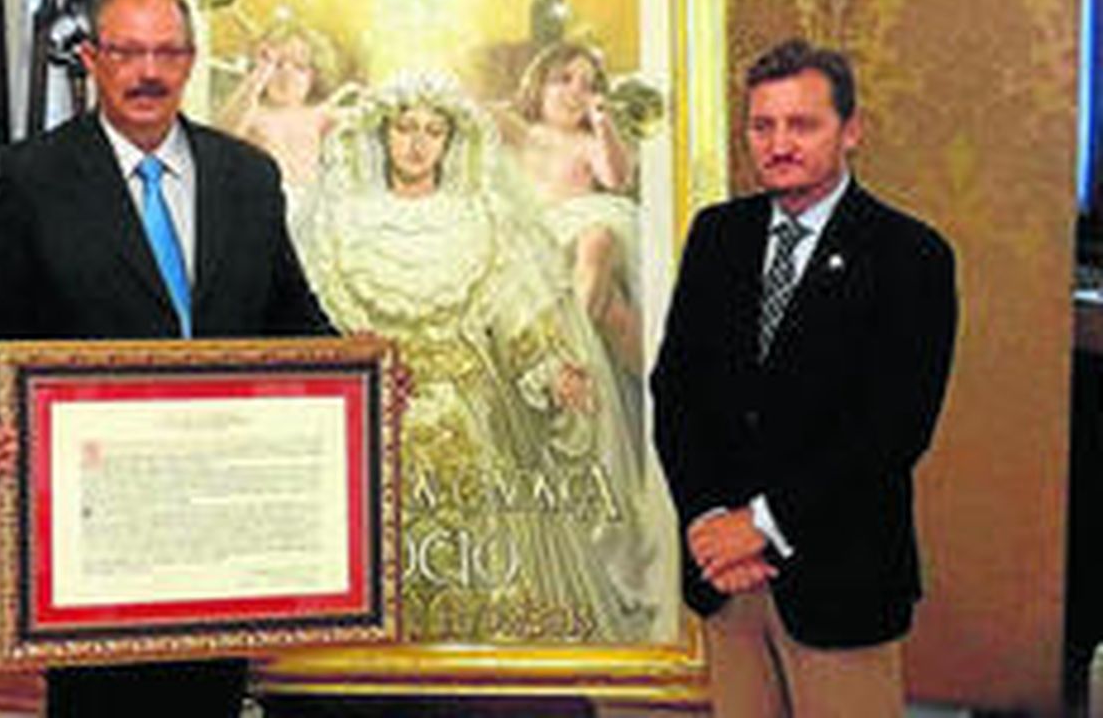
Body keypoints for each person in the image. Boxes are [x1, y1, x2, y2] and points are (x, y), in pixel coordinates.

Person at [0, 0, 333, 718]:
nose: (148, 71)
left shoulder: (248, 177)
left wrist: (364, 379)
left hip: (219, 506)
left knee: (209, 693)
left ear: (191, 62)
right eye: (128, 52)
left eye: (167, 52)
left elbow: (291, 315)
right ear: (94, 60)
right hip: (97, 516)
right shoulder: (31, 179)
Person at [297, 74, 669, 644]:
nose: (417, 143)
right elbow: (307, 323)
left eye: (433, 130)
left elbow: (520, 315)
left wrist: (551, 367)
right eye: (404, 128)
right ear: (382, 135)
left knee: (473, 579)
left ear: (451, 141)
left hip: (468, 420)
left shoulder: (484, 221)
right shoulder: (338, 224)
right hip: (366, 427)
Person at [650, 39, 957, 717]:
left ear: (851, 130)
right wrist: (707, 521)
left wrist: (761, 523)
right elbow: (676, 391)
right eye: (763, 125)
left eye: (802, 124)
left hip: (838, 577)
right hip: (726, 578)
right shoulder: (717, 235)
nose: (779, 143)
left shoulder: (911, 255)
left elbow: (894, 428)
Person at [508, 41, 643, 375]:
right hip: (535, 237)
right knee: (610, 308)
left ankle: (568, 352)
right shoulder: (524, 133)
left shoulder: (588, 142)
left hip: (579, 233)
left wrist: (602, 123)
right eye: (564, 79)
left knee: (599, 237)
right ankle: (658, 381)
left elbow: (617, 179)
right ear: (538, 85)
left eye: (588, 85)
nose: (576, 92)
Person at [215, 21, 343, 191]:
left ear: (314, 77)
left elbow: (354, 123)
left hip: (308, 203)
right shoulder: (255, 114)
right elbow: (222, 139)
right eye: (277, 65)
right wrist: (256, 79)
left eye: (299, 67)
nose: (287, 74)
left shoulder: (318, 115)